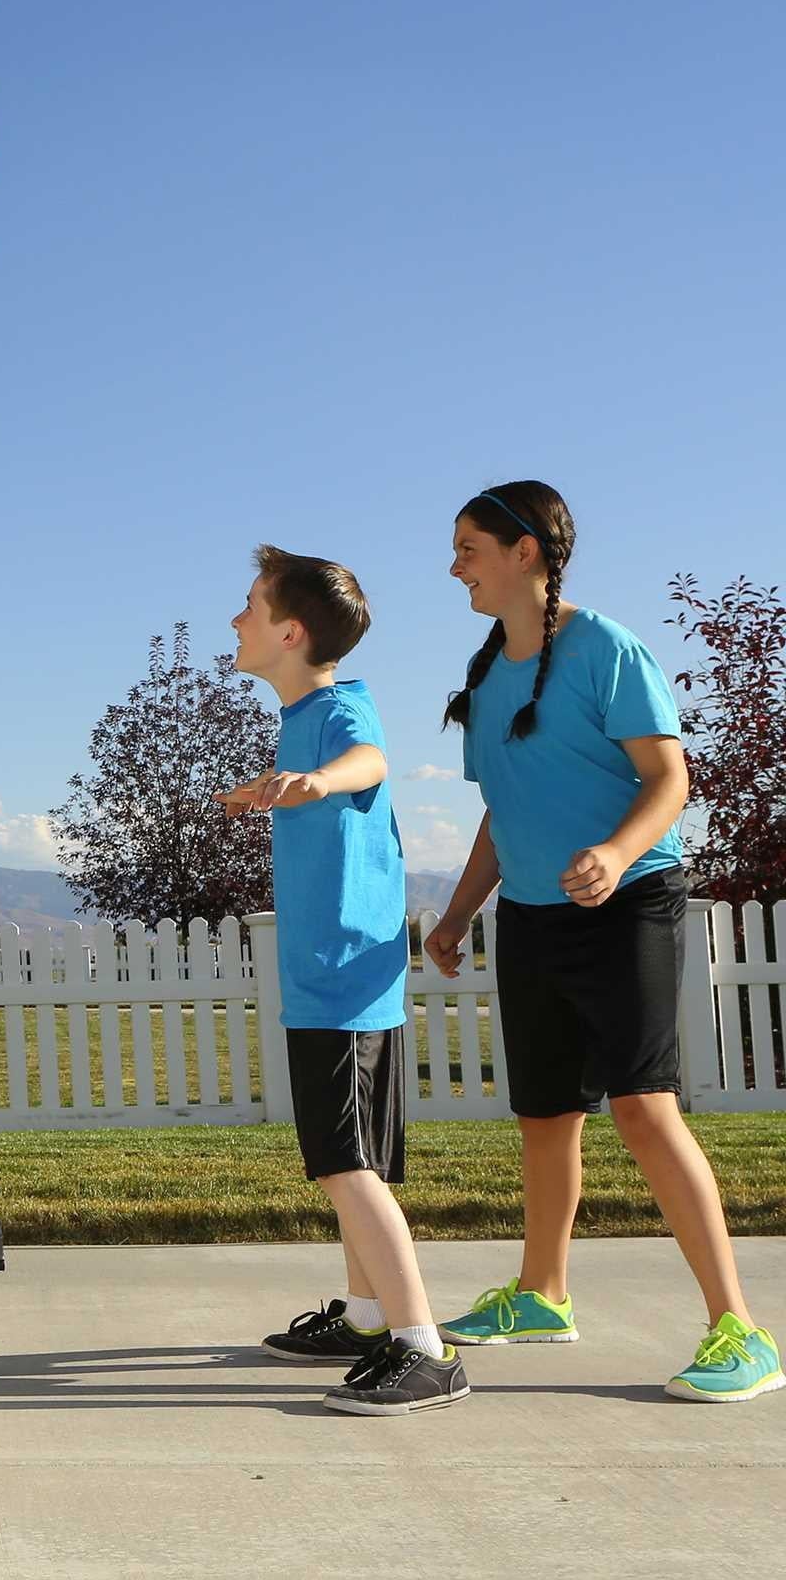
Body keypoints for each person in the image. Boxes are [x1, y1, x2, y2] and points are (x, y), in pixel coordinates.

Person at [425, 481, 780, 1402]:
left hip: (629, 903)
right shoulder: (486, 676)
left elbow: (670, 779)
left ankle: (741, 1330)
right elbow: (502, 814)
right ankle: (541, 1296)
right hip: (531, 916)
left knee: (643, 1108)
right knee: (546, 1116)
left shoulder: (607, 649)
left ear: (525, 553)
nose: (454, 566)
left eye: (468, 548)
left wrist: (617, 855)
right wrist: (459, 914)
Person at [223, 546, 468, 1414]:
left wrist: (318, 779)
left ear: (291, 632)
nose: (236, 619)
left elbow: (368, 761)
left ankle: (424, 1349)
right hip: (335, 976)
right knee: (353, 1163)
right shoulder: (302, 717)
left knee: (343, 1166)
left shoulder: (339, 709)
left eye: (250, 606)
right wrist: (278, 787)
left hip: (343, 981)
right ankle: (367, 1318)